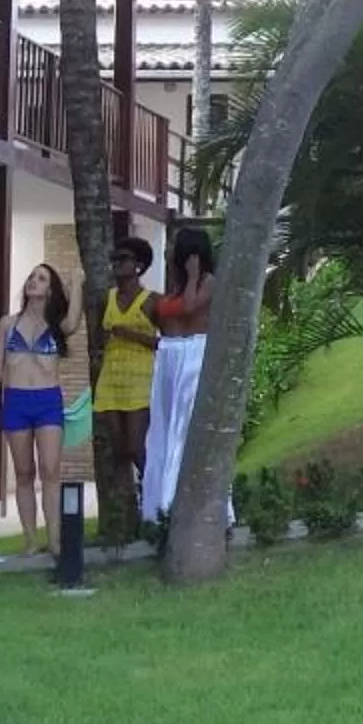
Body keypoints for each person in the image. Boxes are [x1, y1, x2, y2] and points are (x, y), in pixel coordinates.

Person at [140, 224, 226, 529]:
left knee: (184, 428)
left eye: (175, 245)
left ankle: (184, 503)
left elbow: (190, 308)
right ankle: (158, 506)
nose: (169, 249)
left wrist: (192, 275)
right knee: (162, 429)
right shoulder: (174, 285)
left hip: (194, 353)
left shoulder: (208, 282)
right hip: (169, 354)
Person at [0, 262, 71, 557]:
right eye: (31, 277)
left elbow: (74, 321)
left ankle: (55, 540)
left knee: (51, 470)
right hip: (15, 400)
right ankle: (30, 540)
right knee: (24, 472)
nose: (32, 282)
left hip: (48, 400)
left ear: (50, 290)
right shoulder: (7, 323)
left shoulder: (57, 325)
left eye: (40, 279)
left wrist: (75, 285)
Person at [98, 237, 160, 524]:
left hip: (139, 379)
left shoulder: (151, 301)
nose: (117, 264)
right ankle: (127, 515)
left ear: (138, 265)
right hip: (112, 378)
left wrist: (130, 334)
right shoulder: (108, 298)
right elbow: (100, 335)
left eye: (123, 259)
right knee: (119, 448)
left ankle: (156, 502)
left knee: (136, 447)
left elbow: (164, 342)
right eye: (115, 259)